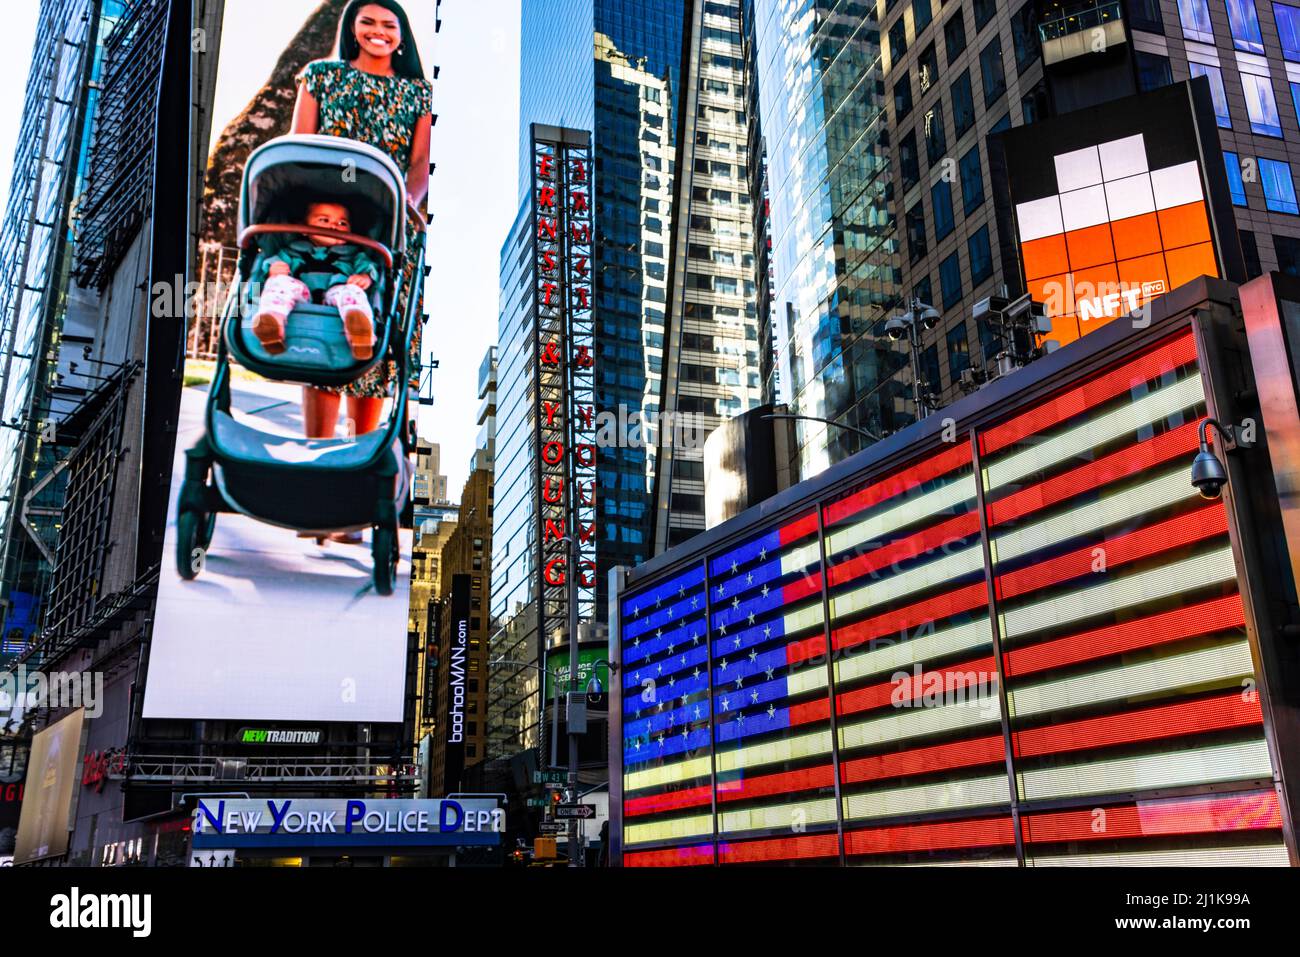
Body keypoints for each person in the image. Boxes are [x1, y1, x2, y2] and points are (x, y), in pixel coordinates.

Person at [291, 0, 431, 441]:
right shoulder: (321, 77)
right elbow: (301, 146)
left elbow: (420, 162)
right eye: (367, 21)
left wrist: (404, 202)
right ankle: (317, 451)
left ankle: (352, 459)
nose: (378, 31)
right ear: (352, 28)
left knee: (378, 336)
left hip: (388, 227)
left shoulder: (418, 93)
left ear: (401, 36)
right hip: (329, 222)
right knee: (325, 334)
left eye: (389, 25)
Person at [250, 199, 382, 360]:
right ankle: (271, 323)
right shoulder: (292, 250)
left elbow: (369, 268)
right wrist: (273, 269)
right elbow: (270, 263)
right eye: (324, 220)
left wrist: (365, 277)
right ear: (304, 229)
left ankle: (359, 332)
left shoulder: (354, 254)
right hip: (299, 296)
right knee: (279, 283)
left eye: (342, 223)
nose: (334, 226)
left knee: (353, 291)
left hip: (337, 293)